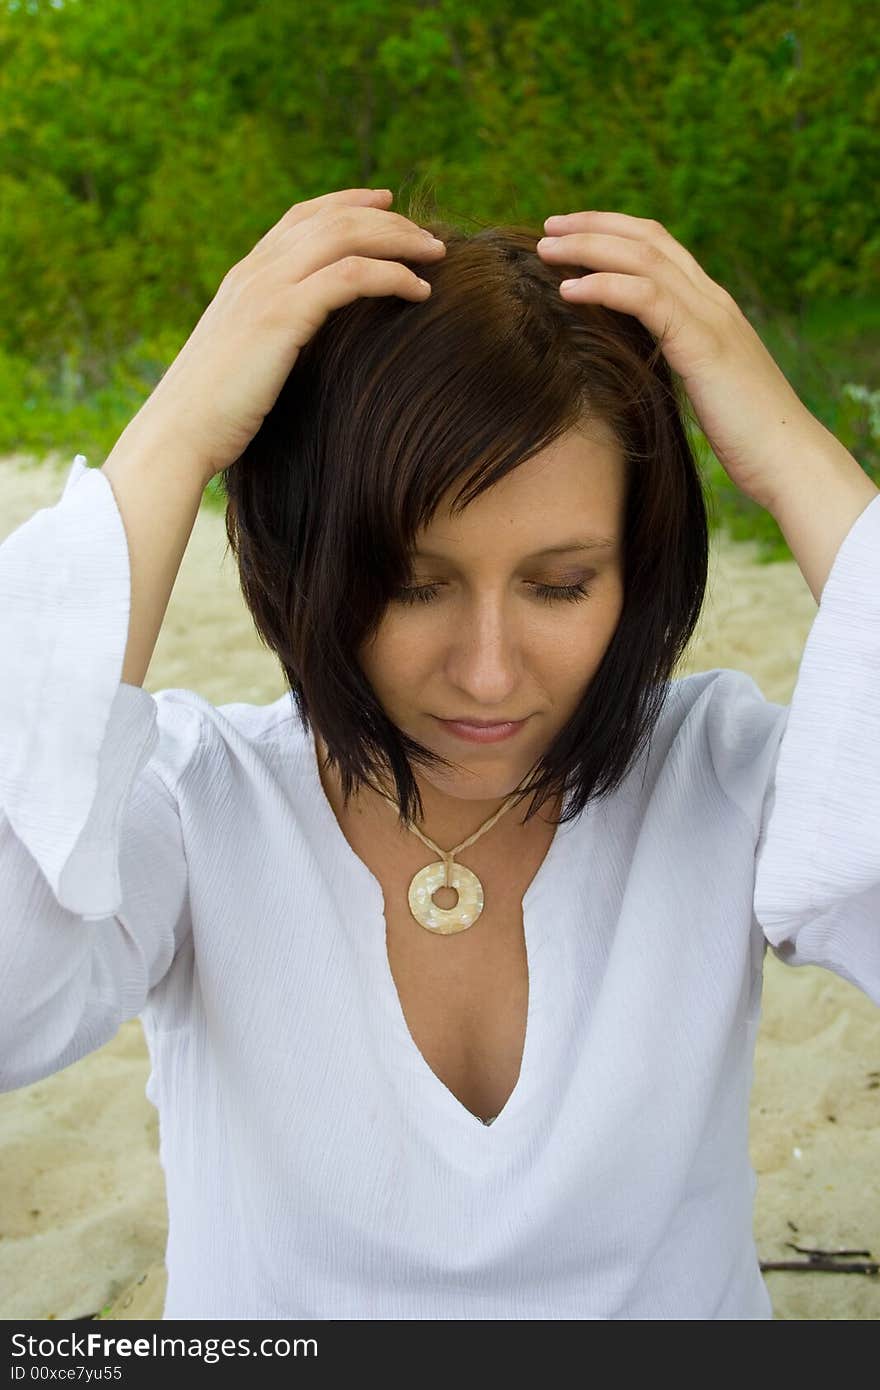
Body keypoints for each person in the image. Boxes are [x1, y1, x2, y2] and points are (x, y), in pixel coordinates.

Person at [1, 186, 878, 1321]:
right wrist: (173, 439)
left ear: (639, 566)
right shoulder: (194, 801)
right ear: (303, 560)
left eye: (559, 584)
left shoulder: (720, 776)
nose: (488, 672)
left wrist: (802, 462)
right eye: (412, 584)